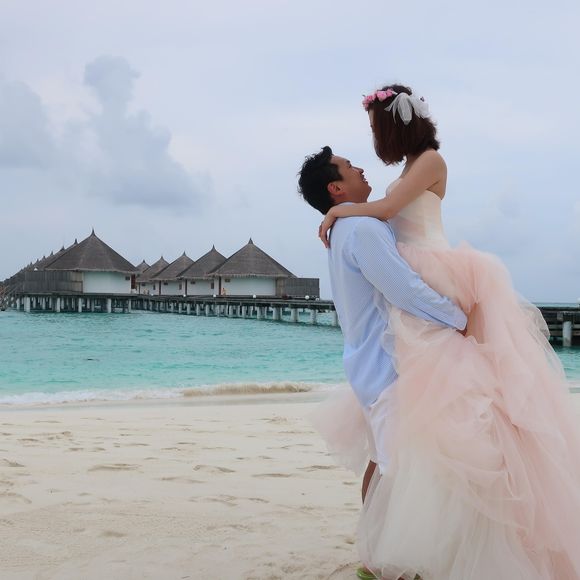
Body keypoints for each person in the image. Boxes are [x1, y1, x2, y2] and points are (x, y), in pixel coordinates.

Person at [308, 84, 580, 579]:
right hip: (415, 302)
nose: (370, 146)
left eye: (375, 127)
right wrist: (342, 211)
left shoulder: (428, 162)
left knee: (456, 426)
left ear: (394, 125)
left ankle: (403, 551)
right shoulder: (387, 195)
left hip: (436, 281)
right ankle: (388, 551)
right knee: (415, 443)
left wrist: (339, 209)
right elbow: (390, 242)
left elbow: (388, 215)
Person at [297, 145, 467, 579]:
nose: (360, 169)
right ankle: (393, 566)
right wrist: (459, 318)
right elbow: (403, 288)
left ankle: (374, 558)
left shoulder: (344, 228)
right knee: (399, 472)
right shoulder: (363, 229)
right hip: (387, 367)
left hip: (365, 365)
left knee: (380, 465)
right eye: (349, 167)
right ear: (336, 188)